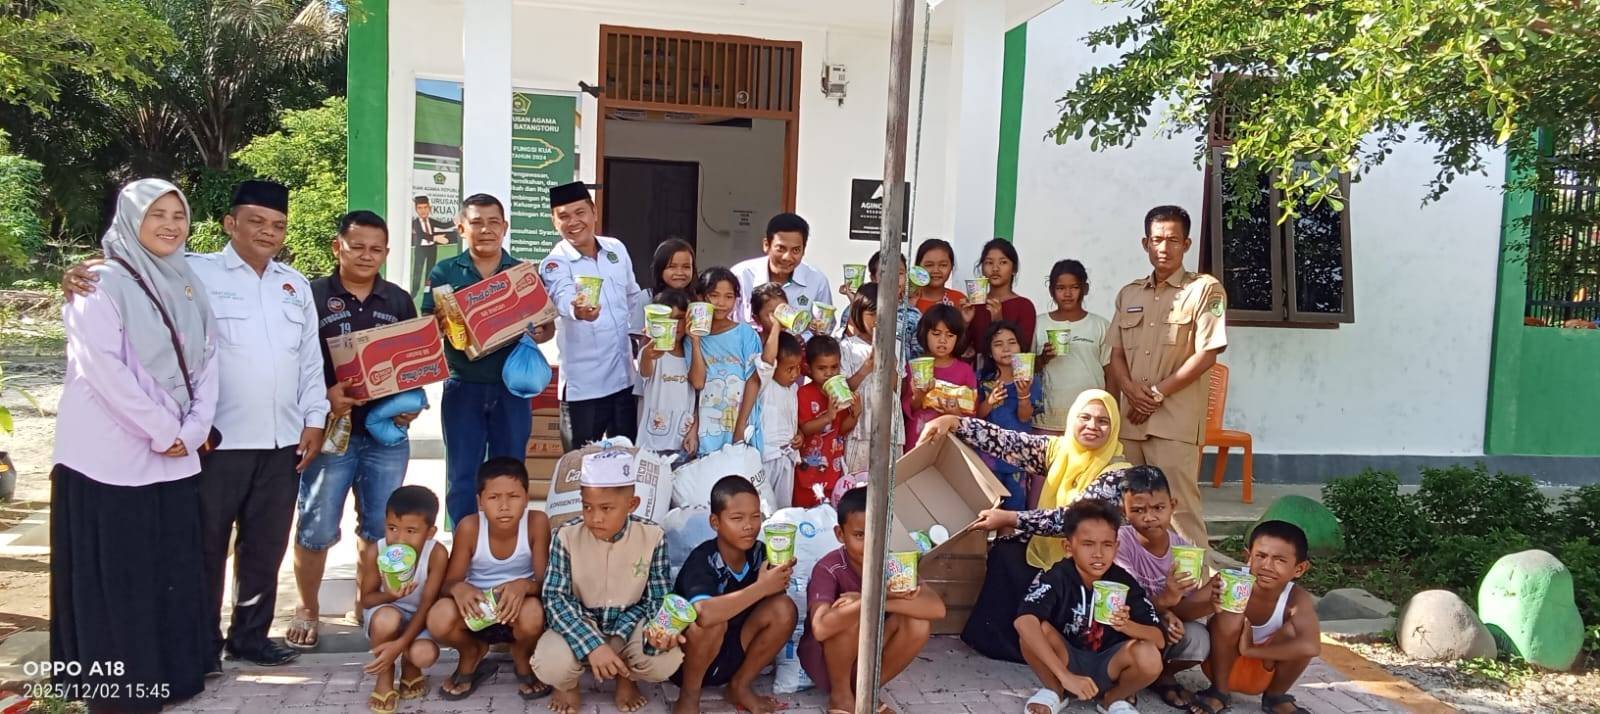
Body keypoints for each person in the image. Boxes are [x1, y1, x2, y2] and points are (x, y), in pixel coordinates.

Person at [59, 180, 331, 669]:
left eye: (278, 225)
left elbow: (310, 359)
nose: (268, 232)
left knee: (265, 547)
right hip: (214, 439)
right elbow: (132, 279)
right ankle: (200, 645)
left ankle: (250, 637)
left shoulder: (294, 284)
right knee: (204, 547)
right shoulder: (191, 272)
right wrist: (75, 273)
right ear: (230, 224)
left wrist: (314, 418)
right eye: (256, 221)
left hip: (283, 440)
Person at [51, 179, 218, 711]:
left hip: (173, 459)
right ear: (130, 219)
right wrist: (165, 431)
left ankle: (172, 674)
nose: (171, 224)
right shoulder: (96, 284)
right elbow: (104, 371)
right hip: (109, 459)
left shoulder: (189, 280)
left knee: (166, 570)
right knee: (117, 577)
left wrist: (192, 431)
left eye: (179, 214)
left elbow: (210, 360)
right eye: (157, 214)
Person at [287, 210, 421, 651]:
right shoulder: (311, 297)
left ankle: (368, 603)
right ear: (336, 247)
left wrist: (408, 409)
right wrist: (326, 397)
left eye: (377, 249)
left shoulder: (398, 300)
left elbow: (413, 363)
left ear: (386, 252)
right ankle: (307, 607)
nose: (367, 255)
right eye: (357, 246)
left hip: (386, 437)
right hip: (330, 432)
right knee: (317, 524)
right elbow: (293, 363)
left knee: (381, 528)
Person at [920, 389, 1130, 663]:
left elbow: (1071, 520)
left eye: (1103, 421)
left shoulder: (1117, 471)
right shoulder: (1060, 450)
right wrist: (954, 422)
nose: (1092, 426)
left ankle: (1051, 652)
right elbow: (1009, 443)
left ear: (1114, 427)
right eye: (1085, 417)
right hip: (1048, 550)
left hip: (1088, 563)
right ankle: (1006, 645)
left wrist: (1011, 518)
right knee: (1005, 552)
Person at [421, 193, 554, 526]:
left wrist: (536, 333)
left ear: (505, 227)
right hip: (463, 385)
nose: (485, 230)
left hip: (511, 389)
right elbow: (429, 326)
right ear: (461, 227)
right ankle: (465, 548)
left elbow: (547, 327)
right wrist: (444, 324)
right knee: (462, 474)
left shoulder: (521, 273)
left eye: (493, 222)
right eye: (476, 222)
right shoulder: (445, 271)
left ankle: (506, 545)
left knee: (510, 473)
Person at [1109, 205, 1227, 546]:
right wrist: (1131, 391)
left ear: (1187, 244)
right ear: (1145, 243)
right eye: (1157, 239)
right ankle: (1138, 587)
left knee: (1178, 512)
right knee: (1128, 511)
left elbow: (1207, 354)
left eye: (1173, 240)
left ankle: (1198, 590)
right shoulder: (1129, 293)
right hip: (1130, 420)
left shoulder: (1205, 290)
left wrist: (1156, 394)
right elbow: (1115, 354)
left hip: (1174, 423)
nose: (1164, 247)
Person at [536, 450, 685, 714]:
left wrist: (660, 632)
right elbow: (555, 599)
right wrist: (593, 644)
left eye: (606, 508)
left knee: (664, 660)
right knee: (550, 664)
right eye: (587, 507)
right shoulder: (565, 536)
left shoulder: (652, 537)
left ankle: (626, 678)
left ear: (632, 505)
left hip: (628, 626)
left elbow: (657, 598)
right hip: (580, 624)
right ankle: (568, 685)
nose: (595, 517)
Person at [800, 487, 945, 713]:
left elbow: (936, 609)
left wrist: (877, 599)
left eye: (878, 531)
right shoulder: (829, 568)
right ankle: (841, 697)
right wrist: (864, 604)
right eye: (860, 535)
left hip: (868, 661)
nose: (870, 543)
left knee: (918, 622)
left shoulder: (893, 564)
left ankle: (866, 692)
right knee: (851, 612)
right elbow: (820, 628)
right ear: (840, 534)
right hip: (826, 663)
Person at [1015, 499, 1163, 714]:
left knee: (1149, 655)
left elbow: (1158, 639)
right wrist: (1065, 677)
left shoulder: (1124, 582)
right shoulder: (1059, 576)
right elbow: (1023, 621)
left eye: (1107, 544)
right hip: (1066, 661)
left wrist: (1126, 625)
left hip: (1110, 665)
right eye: (1088, 544)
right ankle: (1055, 691)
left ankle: (1113, 699)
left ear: (1116, 546)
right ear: (1068, 547)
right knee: (1033, 630)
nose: (1098, 554)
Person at [425, 458, 551, 701]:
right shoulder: (470, 527)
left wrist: (524, 585)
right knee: (438, 617)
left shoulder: (536, 522)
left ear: (526, 496)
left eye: (513, 496)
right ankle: (471, 652)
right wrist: (460, 589)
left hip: (518, 609)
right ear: (480, 502)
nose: (504, 506)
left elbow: (545, 582)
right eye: (494, 498)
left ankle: (522, 657)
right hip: (477, 611)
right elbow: (449, 583)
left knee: (535, 614)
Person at [671, 476, 799, 714]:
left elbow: (773, 602)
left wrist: (778, 578)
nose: (749, 526)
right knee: (711, 622)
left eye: (755, 516)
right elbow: (704, 615)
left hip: (735, 651)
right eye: (737, 518)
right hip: (690, 661)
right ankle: (689, 698)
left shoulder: (760, 552)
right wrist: (762, 586)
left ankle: (739, 685)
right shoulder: (703, 560)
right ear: (715, 522)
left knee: (784, 608)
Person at [540, 181, 641, 449]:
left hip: (624, 380)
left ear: (594, 212)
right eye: (563, 216)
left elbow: (633, 296)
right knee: (580, 469)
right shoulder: (554, 262)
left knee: (626, 461)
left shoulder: (616, 249)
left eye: (580, 212)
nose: (573, 222)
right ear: (554, 222)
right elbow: (561, 296)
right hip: (584, 390)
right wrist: (578, 310)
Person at [1114, 467, 1214, 711]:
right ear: (1123, 511)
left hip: (1162, 622)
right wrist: (1165, 604)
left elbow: (1184, 607)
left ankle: (1162, 676)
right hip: (1129, 620)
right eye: (1138, 510)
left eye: (1158, 508)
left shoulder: (1184, 551)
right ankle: (1128, 681)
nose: (1149, 517)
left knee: (1198, 638)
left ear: (1173, 505)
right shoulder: (1120, 542)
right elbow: (1126, 602)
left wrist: (1173, 612)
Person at [1197, 521, 1321, 714]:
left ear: (1299, 569)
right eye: (1261, 556)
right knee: (1231, 615)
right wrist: (1207, 601)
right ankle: (1218, 693)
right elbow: (1185, 609)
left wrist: (1250, 651)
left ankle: (1275, 697)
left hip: (1263, 671)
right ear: (1248, 557)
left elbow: (1311, 647)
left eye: (1280, 560)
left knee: (1293, 633)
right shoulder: (1230, 579)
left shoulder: (1296, 598)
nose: (1267, 566)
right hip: (1218, 667)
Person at [358, 485, 447, 713]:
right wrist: (389, 594)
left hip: (420, 618)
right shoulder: (376, 552)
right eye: (392, 528)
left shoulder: (436, 554)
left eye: (411, 531)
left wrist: (401, 645)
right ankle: (384, 678)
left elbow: (427, 604)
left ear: (430, 533)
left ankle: (410, 666)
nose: (399, 538)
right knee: (387, 617)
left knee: (424, 654)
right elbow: (366, 601)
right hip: (385, 614)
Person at [689, 268, 764, 456]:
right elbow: (698, 383)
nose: (721, 303)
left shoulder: (746, 334)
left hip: (741, 424)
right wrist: (696, 341)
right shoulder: (692, 338)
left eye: (729, 297)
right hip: (707, 429)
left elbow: (753, 381)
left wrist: (740, 428)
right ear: (701, 296)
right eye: (714, 295)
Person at [1034, 260, 1110, 437]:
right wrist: (1043, 358)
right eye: (1060, 288)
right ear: (1051, 290)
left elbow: (1111, 373)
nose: (1067, 294)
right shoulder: (1039, 324)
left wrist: (1111, 414)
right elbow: (1026, 370)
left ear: (1085, 288)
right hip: (1048, 420)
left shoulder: (1100, 325)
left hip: (1091, 421)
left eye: (1074, 287)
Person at [976, 321, 1044, 510]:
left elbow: (1025, 418)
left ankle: (1008, 539)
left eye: (1012, 342)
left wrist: (1023, 394)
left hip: (1017, 455)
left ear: (1021, 347)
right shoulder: (982, 379)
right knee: (988, 506)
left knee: (1014, 509)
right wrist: (989, 403)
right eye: (998, 344)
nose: (1006, 348)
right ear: (989, 352)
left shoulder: (1031, 379)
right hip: (987, 456)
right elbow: (976, 417)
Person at [839, 284, 904, 473]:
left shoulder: (897, 345)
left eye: (885, 313)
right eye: (873, 313)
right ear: (859, 313)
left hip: (890, 431)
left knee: (890, 486)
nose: (879, 320)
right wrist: (865, 369)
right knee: (855, 485)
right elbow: (844, 388)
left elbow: (897, 389)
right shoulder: (847, 347)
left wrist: (889, 358)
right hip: (859, 429)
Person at [730, 213, 832, 326]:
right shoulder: (741, 276)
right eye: (781, 249)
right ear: (766, 245)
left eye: (796, 250)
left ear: (804, 250)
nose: (787, 257)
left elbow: (826, 327)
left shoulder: (817, 281)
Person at [795, 335, 860, 507]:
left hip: (832, 470)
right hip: (808, 473)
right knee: (805, 515)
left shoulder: (840, 392)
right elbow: (804, 429)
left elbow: (841, 430)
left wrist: (854, 415)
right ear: (808, 368)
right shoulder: (804, 393)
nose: (829, 373)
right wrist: (828, 416)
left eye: (834, 367)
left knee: (830, 516)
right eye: (822, 368)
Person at [902, 304, 976, 443]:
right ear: (924, 333)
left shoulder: (965, 370)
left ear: (958, 338)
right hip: (918, 435)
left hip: (951, 441)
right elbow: (907, 410)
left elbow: (971, 419)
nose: (943, 340)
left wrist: (955, 413)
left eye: (950, 335)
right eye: (936, 334)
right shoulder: (914, 367)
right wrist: (920, 395)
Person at [636, 289, 697, 458]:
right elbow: (645, 371)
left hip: (683, 443)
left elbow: (700, 393)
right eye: (667, 319)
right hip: (651, 445)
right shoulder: (652, 353)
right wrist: (648, 354)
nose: (674, 325)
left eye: (680, 319)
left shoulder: (693, 355)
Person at [755, 327, 804, 509]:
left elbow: (792, 419)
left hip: (787, 456)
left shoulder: (793, 389)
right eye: (789, 369)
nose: (795, 374)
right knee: (764, 507)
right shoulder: (765, 386)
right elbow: (765, 364)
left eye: (798, 367)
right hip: (767, 457)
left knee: (783, 507)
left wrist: (799, 434)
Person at [964, 238, 1037, 358]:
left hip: (1009, 375)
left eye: (1003, 262)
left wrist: (998, 322)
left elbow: (1023, 350)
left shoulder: (1024, 306)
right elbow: (962, 350)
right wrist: (964, 323)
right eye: (989, 262)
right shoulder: (974, 305)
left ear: (1014, 269)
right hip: (978, 374)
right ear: (982, 268)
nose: (995, 268)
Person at [410, 195, 458, 295]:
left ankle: (427, 290)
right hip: (421, 249)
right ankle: (414, 291)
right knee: (418, 271)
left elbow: (444, 225)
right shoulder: (415, 223)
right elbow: (421, 234)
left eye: (425, 207)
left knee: (430, 271)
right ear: (416, 209)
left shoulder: (431, 221)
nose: (423, 211)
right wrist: (435, 238)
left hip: (431, 248)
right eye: (420, 208)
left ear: (429, 208)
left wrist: (455, 221)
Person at [911, 239, 966, 313]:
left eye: (943, 265)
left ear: (952, 267)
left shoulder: (960, 300)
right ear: (918, 267)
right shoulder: (908, 300)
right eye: (929, 265)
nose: (936, 270)